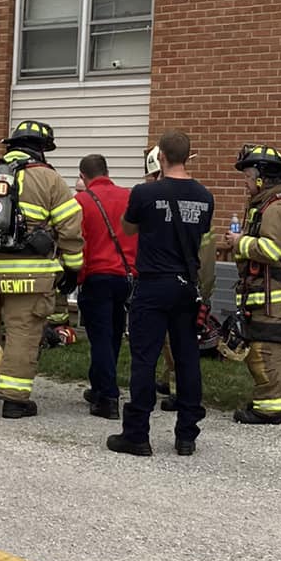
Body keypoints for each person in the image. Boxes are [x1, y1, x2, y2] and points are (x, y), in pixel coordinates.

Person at [0, 119, 83, 418]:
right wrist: (73, 269)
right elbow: (71, 228)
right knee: (23, 331)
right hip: (31, 275)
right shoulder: (51, 181)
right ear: (41, 150)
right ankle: (14, 400)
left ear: (11, 146)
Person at [106, 131, 214, 458]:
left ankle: (137, 435)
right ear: (188, 157)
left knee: (144, 358)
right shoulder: (205, 196)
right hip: (186, 287)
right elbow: (202, 234)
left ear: (162, 157)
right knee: (187, 359)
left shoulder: (144, 193)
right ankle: (186, 436)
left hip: (153, 285)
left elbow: (127, 228)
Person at [229, 143, 281, 426]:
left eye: (247, 177)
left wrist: (239, 243)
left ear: (262, 178)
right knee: (274, 347)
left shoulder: (277, 209)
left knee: (264, 349)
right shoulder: (267, 205)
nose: (245, 184)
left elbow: (272, 251)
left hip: (273, 294)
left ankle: (268, 409)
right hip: (266, 292)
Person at [74, 153, 131, 421]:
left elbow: (79, 241)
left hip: (96, 277)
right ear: (107, 171)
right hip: (125, 278)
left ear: (83, 177)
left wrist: (78, 277)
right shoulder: (128, 196)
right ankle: (99, 387)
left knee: (100, 338)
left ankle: (107, 397)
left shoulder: (82, 201)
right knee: (113, 335)